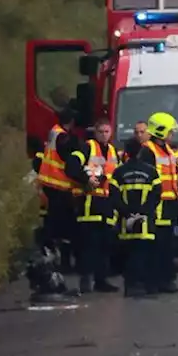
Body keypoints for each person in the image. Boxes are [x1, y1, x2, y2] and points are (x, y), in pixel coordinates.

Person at [66, 118, 120, 294]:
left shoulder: (113, 151)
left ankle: (101, 280)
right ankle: (86, 279)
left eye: (107, 132)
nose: (104, 135)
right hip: (89, 203)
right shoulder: (87, 147)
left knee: (105, 245)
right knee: (89, 245)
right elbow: (72, 166)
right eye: (101, 132)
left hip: (106, 204)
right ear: (95, 132)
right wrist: (86, 179)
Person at [110, 142, 162, 297]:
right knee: (147, 253)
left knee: (129, 254)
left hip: (127, 222)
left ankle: (131, 286)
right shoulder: (151, 172)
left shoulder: (119, 172)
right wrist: (143, 212)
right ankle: (149, 286)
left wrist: (127, 213)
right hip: (146, 221)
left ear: (126, 153)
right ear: (141, 152)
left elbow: (114, 196)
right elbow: (156, 195)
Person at [139, 112, 178, 293]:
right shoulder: (147, 151)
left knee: (167, 244)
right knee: (156, 244)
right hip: (157, 205)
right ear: (161, 130)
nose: (173, 134)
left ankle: (165, 279)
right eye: (170, 131)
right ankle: (156, 280)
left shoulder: (167, 149)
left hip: (169, 204)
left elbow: (173, 176)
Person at [37, 103, 82, 271]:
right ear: (71, 122)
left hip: (49, 182)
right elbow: (69, 160)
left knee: (54, 221)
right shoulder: (63, 137)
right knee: (63, 223)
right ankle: (57, 258)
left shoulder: (54, 131)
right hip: (58, 184)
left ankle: (52, 253)